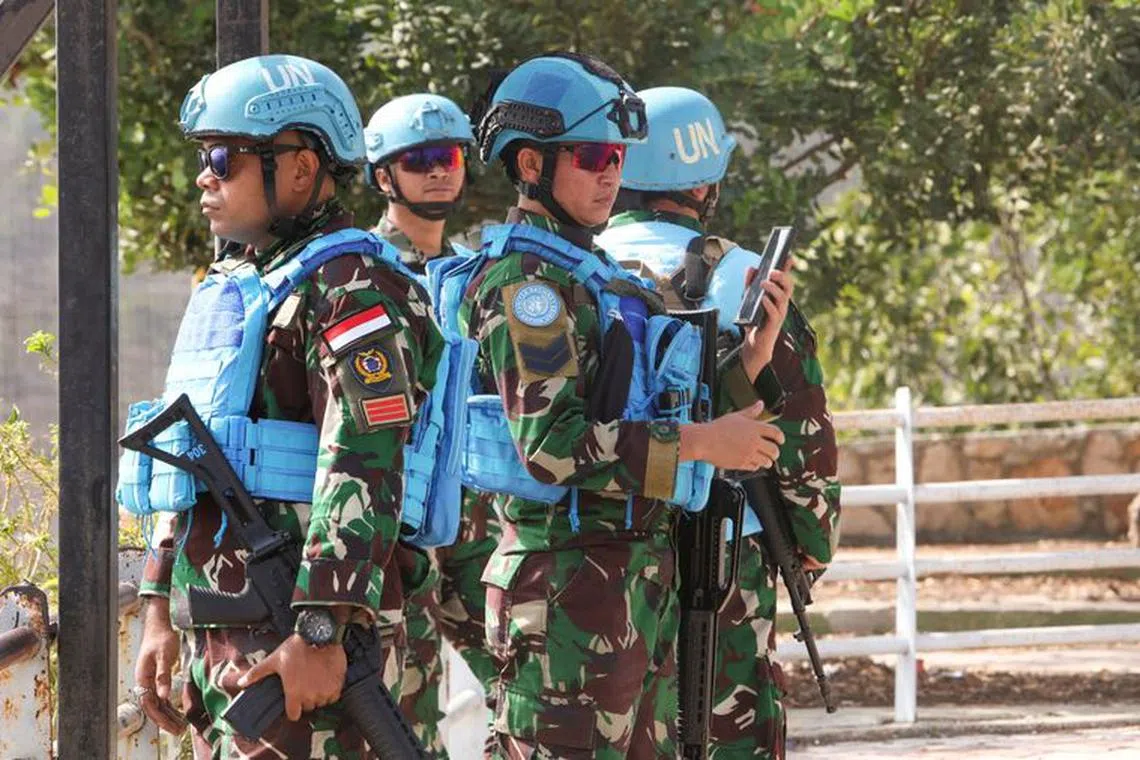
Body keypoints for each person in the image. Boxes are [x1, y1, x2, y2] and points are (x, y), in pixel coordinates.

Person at [444, 52, 787, 759]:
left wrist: (749, 360)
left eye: (618, 157)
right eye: (592, 154)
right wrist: (700, 444)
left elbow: (637, 404)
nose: (611, 173)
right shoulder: (527, 283)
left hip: (629, 583)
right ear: (532, 165)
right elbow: (553, 444)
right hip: (565, 585)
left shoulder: (592, 273)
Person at [123, 53, 444, 758]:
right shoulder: (237, 286)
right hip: (222, 629)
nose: (205, 175)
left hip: (302, 644)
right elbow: (197, 457)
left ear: (300, 167)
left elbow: (364, 460)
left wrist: (324, 628)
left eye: (224, 156)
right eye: (205, 156)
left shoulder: (354, 287)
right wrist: (158, 607)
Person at [597, 86, 842, 759]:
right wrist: (807, 545)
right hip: (730, 546)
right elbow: (800, 427)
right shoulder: (746, 275)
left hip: (600, 547)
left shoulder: (572, 267)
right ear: (704, 181)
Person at [362, 92, 500, 756]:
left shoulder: (473, 276)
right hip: (398, 534)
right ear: (384, 177)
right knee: (403, 725)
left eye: (448, 157)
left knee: (530, 697)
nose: (440, 171)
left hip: (474, 527)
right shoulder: (361, 272)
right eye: (418, 161)